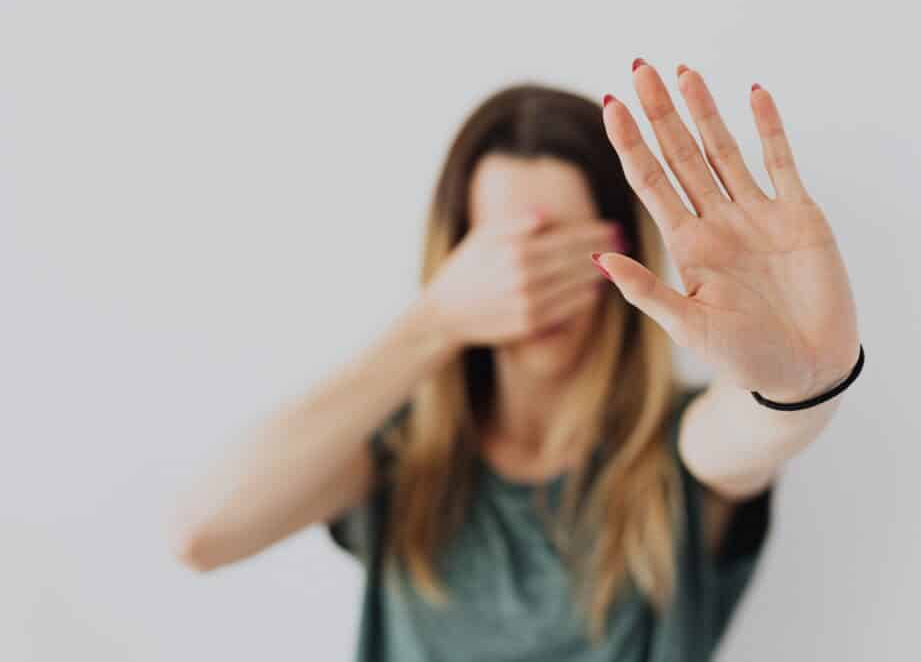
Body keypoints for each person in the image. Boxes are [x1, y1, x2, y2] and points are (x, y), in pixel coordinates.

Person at [168, 58, 862, 662]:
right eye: (506, 252)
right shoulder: (399, 455)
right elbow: (202, 532)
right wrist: (435, 319)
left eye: (567, 250)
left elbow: (758, 427)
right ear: (457, 255)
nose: (533, 282)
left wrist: (806, 377)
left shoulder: (673, 453)